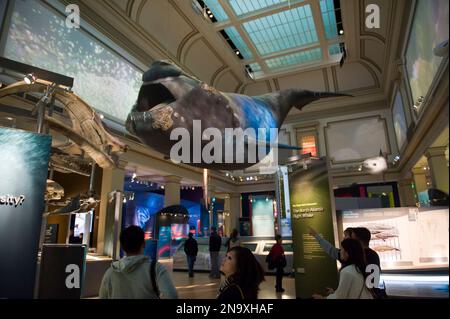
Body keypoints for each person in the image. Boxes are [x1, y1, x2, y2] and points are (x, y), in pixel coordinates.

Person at [99, 225, 178, 299]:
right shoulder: (156, 269)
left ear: (122, 247)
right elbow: (171, 295)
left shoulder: (111, 272)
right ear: (143, 244)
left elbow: (102, 296)